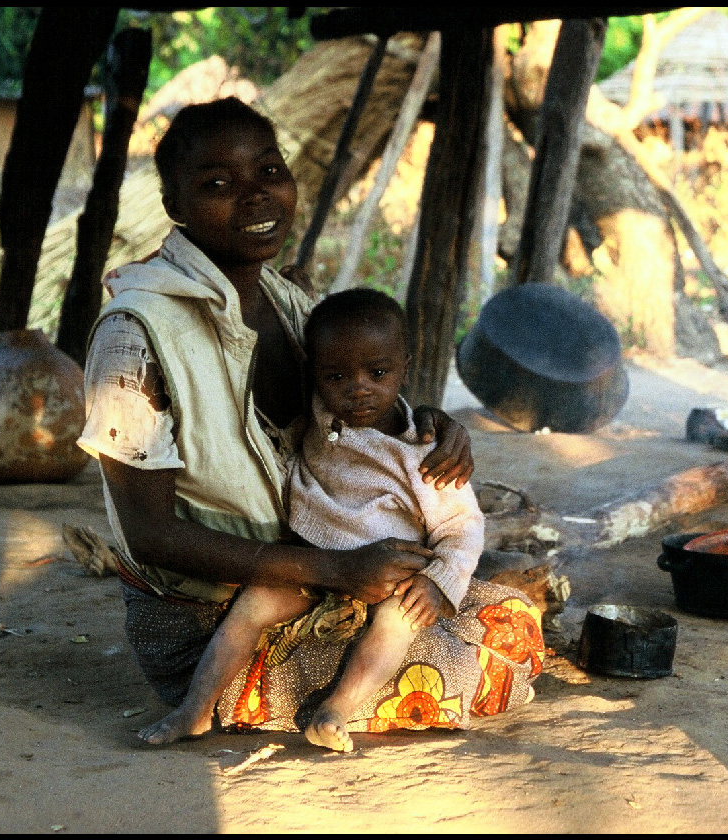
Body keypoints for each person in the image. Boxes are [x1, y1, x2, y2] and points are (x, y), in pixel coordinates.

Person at [78, 97, 542, 744]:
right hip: (208, 622)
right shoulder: (136, 334)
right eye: (218, 184)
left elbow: (360, 395)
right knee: (492, 647)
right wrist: (335, 572)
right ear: (175, 205)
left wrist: (432, 424)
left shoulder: (289, 301)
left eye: (269, 171)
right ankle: (214, 703)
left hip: (318, 572)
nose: (255, 196)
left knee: (497, 604)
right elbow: (149, 534)